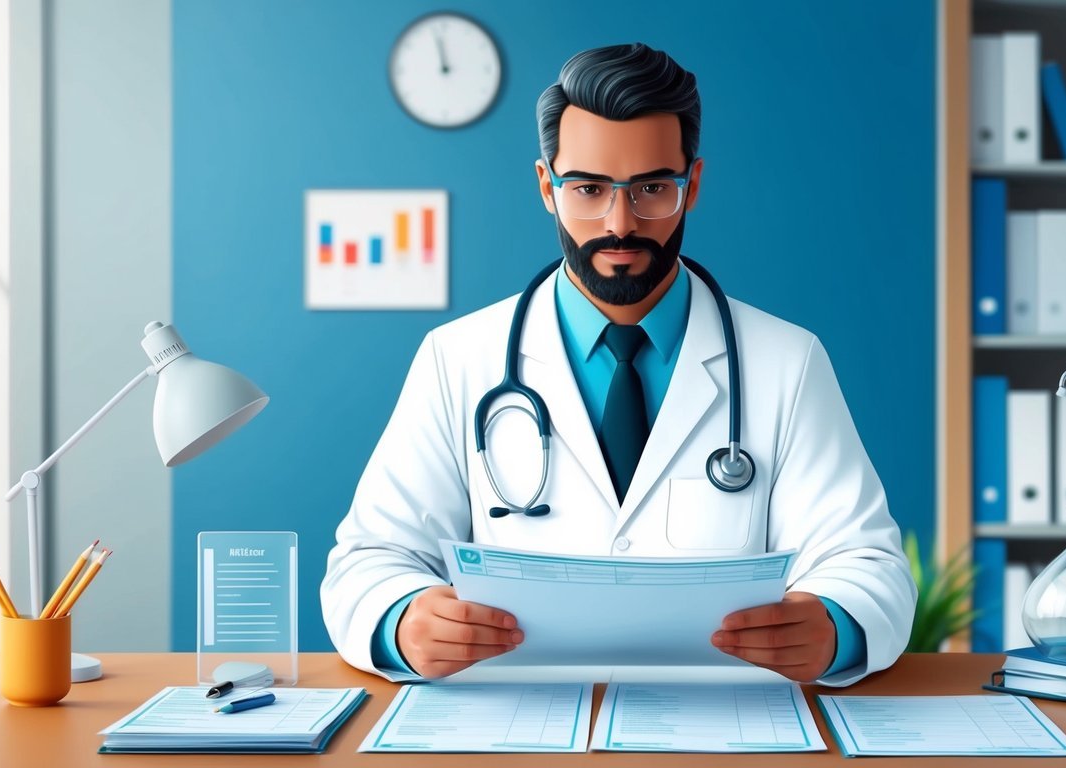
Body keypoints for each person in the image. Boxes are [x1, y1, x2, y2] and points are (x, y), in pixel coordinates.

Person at [322, 43, 915, 686]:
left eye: (653, 188)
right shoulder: (457, 358)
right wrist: (402, 623)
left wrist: (833, 625)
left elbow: (868, 562)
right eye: (589, 189)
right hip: (516, 728)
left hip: (721, 731)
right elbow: (369, 560)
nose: (620, 223)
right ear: (547, 188)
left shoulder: (785, 361)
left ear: (694, 186)